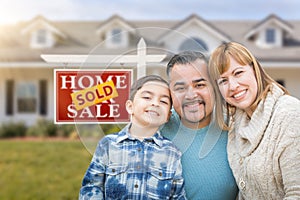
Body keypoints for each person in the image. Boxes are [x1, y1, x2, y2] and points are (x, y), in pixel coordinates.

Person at [208, 41, 300, 199]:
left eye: (238, 73)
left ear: (254, 69)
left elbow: (296, 193)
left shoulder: (289, 114)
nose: (233, 86)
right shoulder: (236, 123)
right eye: (223, 81)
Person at [79, 75, 187, 199]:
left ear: (168, 116)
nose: (155, 103)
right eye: (147, 97)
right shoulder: (108, 145)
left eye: (163, 101)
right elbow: (92, 187)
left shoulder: (172, 152)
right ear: (130, 107)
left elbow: (177, 195)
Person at [161, 51, 238, 199]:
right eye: (180, 88)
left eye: (200, 85)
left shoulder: (235, 128)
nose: (191, 95)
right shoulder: (156, 129)